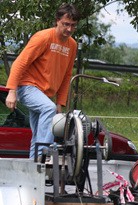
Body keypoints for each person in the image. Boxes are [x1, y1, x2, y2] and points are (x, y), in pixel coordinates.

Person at [5, 3, 80, 160]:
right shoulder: (43, 37)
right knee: (48, 109)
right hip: (26, 86)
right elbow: (20, 63)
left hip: (44, 93)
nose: (69, 29)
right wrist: (11, 91)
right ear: (57, 21)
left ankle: (33, 171)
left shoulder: (72, 45)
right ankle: (43, 156)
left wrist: (60, 102)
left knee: (39, 133)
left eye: (73, 25)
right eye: (66, 24)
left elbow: (67, 75)